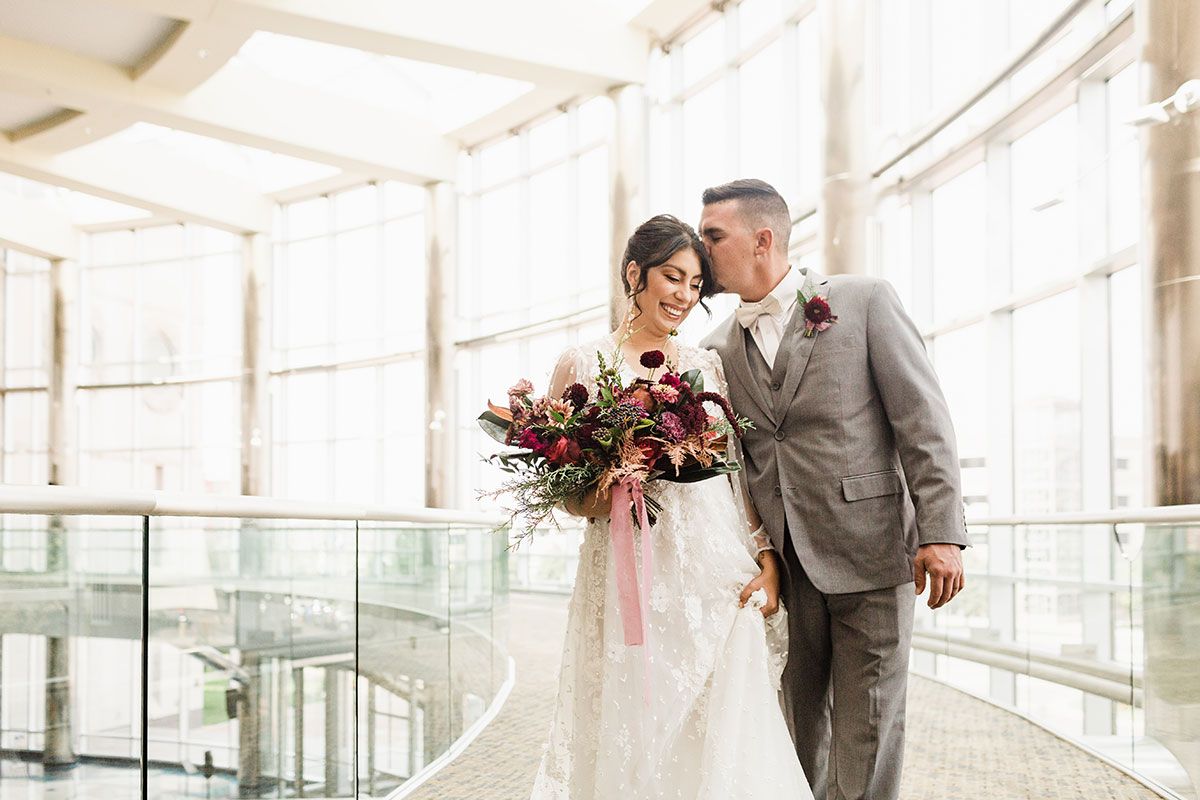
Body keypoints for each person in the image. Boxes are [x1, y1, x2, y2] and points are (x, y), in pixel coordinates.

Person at [698, 179, 969, 800]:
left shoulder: (864, 301)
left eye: (715, 236)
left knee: (868, 732)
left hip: (873, 554)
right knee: (796, 737)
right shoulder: (715, 352)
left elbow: (924, 424)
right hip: (783, 575)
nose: (703, 248)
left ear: (762, 239)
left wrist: (943, 534)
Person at [529, 214, 813, 799]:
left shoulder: (705, 365)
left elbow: (734, 481)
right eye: (671, 277)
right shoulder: (581, 365)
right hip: (627, 571)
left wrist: (764, 556)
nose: (684, 295)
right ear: (635, 273)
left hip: (711, 575)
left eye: (695, 284)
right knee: (631, 717)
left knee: (720, 723)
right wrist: (606, 490)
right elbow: (562, 491)